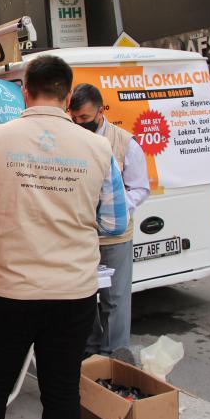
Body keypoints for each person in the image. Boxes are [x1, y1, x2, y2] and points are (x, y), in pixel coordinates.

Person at [0, 55, 129, 419]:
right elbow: (114, 222)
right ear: (67, 98)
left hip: (8, 291)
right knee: (62, 392)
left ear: (25, 92)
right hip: (72, 293)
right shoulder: (99, 149)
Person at [70, 84, 150, 357]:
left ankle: (116, 356)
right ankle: (90, 353)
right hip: (82, 234)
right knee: (83, 296)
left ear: (101, 111)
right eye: (75, 118)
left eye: (85, 118)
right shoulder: (72, 139)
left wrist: (114, 208)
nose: (80, 124)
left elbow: (140, 188)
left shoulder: (126, 142)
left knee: (115, 300)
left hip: (116, 236)